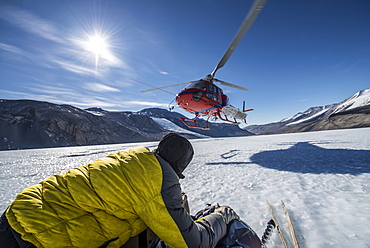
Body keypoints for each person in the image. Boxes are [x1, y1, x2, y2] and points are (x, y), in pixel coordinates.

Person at [0, 133, 239, 248]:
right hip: (36, 238)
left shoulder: (132, 158)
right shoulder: (160, 181)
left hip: (17, 213)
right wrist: (221, 216)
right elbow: (191, 243)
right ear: (179, 167)